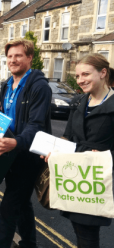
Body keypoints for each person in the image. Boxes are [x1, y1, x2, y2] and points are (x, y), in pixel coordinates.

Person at [42, 53, 114, 248]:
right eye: (78, 75)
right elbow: (68, 137)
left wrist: (105, 156)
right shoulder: (78, 102)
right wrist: (54, 151)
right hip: (75, 176)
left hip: (98, 178)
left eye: (86, 74)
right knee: (79, 230)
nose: (80, 80)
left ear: (103, 73)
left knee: (88, 235)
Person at [0, 39, 52, 248]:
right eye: (10, 56)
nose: (13, 60)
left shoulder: (39, 87)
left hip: (29, 156)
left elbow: (36, 125)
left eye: (18, 56)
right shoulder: (7, 84)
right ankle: (29, 244)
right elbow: (5, 117)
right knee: (22, 204)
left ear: (30, 57)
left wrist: (15, 142)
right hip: (11, 153)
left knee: (9, 207)